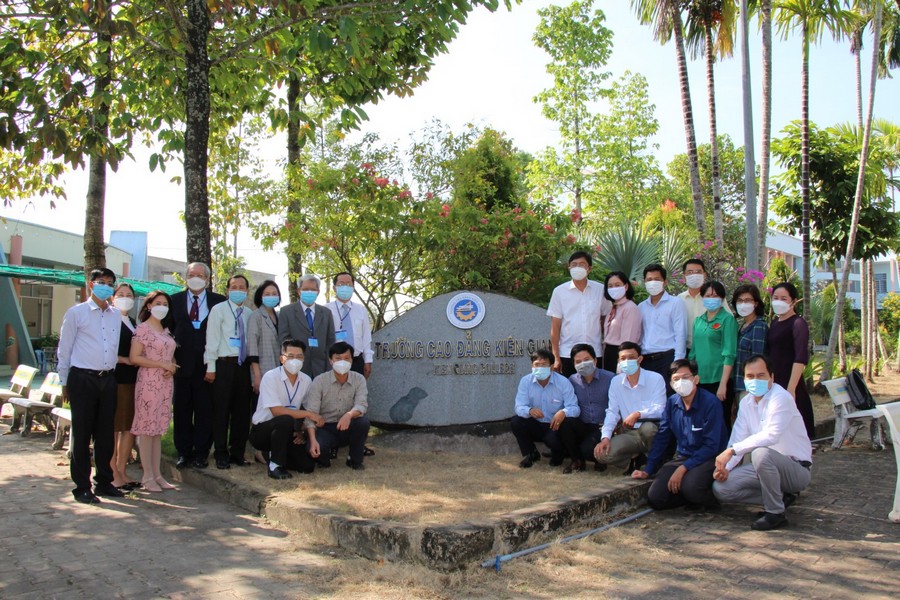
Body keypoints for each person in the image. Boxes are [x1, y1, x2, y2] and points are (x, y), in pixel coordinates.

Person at [713, 354, 813, 531]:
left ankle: (775, 513)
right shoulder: (746, 403)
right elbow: (737, 438)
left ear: (771, 377)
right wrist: (725, 468)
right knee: (722, 488)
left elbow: (771, 435)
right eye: (750, 376)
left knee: (760, 453)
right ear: (744, 379)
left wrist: (732, 451)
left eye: (760, 376)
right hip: (764, 468)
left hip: (796, 469)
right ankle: (781, 498)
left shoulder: (780, 398)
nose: (755, 381)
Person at [57, 268, 124, 504]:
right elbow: (64, 349)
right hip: (82, 378)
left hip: (108, 379)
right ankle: (82, 487)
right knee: (82, 434)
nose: (106, 286)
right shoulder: (77, 313)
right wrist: (64, 381)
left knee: (105, 435)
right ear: (91, 284)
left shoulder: (115, 315)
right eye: (101, 282)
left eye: (110, 283)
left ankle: (104, 482)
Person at [632, 359, 728, 511]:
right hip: (684, 456)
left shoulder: (711, 403)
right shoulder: (672, 403)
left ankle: (710, 501)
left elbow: (712, 446)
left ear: (696, 379)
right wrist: (648, 469)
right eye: (676, 379)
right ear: (671, 384)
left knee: (692, 487)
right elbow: (663, 436)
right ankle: (689, 498)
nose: (681, 382)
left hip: (710, 457)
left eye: (686, 377)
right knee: (656, 498)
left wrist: (683, 468)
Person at [170, 262, 226, 469]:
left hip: (207, 367)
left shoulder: (219, 301)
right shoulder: (173, 300)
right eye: (191, 274)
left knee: (205, 411)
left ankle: (201, 452)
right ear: (186, 277)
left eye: (200, 275)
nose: (195, 278)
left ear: (207, 279)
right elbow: (168, 330)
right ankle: (183, 452)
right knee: (182, 411)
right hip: (181, 366)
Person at [249, 340, 321, 479]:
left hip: (287, 432)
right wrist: (308, 414)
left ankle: (268, 454)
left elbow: (307, 407)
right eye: (290, 356)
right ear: (282, 359)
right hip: (263, 431)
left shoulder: (306, 380)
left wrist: (300, 431)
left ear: (304, 359)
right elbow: (277, 411)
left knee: (307, 466)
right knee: (285, 419)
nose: (295, 360)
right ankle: (275, 466)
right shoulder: (270, 377)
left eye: (299, 356)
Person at [129, 291, 179, 493]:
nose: (162, 307)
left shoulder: (166, 330)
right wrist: (160, 364)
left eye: (165, 304)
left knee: (157, 430)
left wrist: (171, 366)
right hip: (149, 382)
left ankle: (157, 474)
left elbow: (170, 355)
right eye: (158, 303)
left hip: (165, 383)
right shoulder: (143, 329)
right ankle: (147, 476)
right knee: (147, 429)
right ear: (149, 305)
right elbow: (134, 357)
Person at [204, 274, 254, 470]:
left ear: (247, 291)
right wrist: (211, 367)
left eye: (242, 287)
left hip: (243, 366)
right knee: (221, 411)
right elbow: (212, 340)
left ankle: (237, 453)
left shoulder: (249, 313)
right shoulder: (219, 310)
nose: (238, 290)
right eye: (234, 287)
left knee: (241, 412)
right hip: (223, 365)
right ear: (227, 290)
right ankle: (221, 453)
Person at [594, 342, 666, 474]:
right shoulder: (616, 382)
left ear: (640, 359)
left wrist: (638, 414)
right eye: (623, 358)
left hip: (651, 429)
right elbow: (612, 412)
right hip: (630, 433)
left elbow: (660, 409)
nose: (627, 361)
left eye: (631, 357)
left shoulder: (655, 378)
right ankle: (635, 458)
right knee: (602, 454)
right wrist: (605, 437)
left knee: (648, 429)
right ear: (618, 361)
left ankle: (656, 463)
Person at [304, 341, 370, 470]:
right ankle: (326, 456)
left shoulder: (359, 379)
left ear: (352, 360)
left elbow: (362, 405)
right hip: (324, 427)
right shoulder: (319, 381)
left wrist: (349, 415)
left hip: (346, 425)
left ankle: (354, 459)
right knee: (317, 453)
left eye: (346, 358)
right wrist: (312, 440)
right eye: (338, 358)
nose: (342, 362)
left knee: (363, 423)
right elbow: (311, 413)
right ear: (331, 360)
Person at [510, 348, 579, 468]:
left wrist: (563, 412)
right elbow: (519, 406)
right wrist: (529, 410)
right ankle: (531, 453)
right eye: (537, 364)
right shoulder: (525, 381)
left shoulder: (563, 382)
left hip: (555, 426)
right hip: (536, 424)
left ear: (551, 367)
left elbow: (574, 408)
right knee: (516, 422)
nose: (540, 368)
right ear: (532, 366)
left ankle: (559, 453)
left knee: (553, 442)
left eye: (544, 365)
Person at [547, 251, 611, 377]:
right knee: (569, 387)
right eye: (574, 264)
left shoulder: (600, 290)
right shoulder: (559, 292)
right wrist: (556, 356)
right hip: (567, 353)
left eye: (582, 264)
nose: (577, 267)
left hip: (594, 353)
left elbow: (606, 319)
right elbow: (555, 327)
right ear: (569, 267)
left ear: (589, 268)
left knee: (595, 386)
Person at [766, 282, 815, 439]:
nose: (778, 301)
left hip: (791, 382)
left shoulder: (798, 323)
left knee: (796, 428)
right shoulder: (775, 322)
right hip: (775, 381)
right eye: (775, 298)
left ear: (793, 301)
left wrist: (791, 389)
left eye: (784, 298)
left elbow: (800, 357)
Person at [559, 344, 614, 473]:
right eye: (578, 361)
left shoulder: (611, 378)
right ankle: (577, 461)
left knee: (587, 450)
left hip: (603, 426)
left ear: (595, 360)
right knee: (566, 422)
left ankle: (599, 459)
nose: (583, 364)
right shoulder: (572, 380)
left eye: (586, 360)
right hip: (583, 425)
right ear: (574, 364)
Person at [688, 281, 737, 428]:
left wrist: (723, 384)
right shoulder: (698, 321)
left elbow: (729, 353)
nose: (711, 298)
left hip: (719, 379)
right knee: (701, 420)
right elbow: (693, 352)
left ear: (722, 298)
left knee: (721, 421)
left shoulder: (727, 319)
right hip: (700, 379)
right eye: (708, 295)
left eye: (715, 295)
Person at [637, 264, 687, 392]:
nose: (653, 282)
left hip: (667, 359)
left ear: (665, 282)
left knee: (668, 395)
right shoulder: (641, 307)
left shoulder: (675, 303)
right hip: (646, 361)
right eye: (649, 279)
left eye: (657, 279)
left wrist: (678, 363)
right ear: (644, 282)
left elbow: (680, 334)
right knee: (648, 396)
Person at [278, 274, 336, 379]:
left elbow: (330, 342)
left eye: (313, 289)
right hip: (296, 368)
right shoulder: (286, 312)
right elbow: (284, 340)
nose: (309, 292)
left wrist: (329, 367)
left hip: (321, 368)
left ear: (318, 292)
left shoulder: (326, 313)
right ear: (298, 291)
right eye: (305, 289)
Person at [111, 283, 139, 490]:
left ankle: (122, 469)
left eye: (129, 295)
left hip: (133, 380)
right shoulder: (108, 320)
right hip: (115, 380)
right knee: (113, 427)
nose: (125, 298)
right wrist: (125, 360)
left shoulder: (133, 322)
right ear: (113, 298)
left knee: (128, 427)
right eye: (120, 294)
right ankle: (112, 471)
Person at [678, 258, 732, 352]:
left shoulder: (714, 298)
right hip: (686, 350)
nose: (694, 275)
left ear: (704, 275)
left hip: (712, 350)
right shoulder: (679, 300)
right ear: (684, 277)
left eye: (698, 272)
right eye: (690, 272)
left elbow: (729, 322)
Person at [326, 272, 374, 378]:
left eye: (348, 284)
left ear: (353, 287)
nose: (345, 287)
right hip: (334, 362)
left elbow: (366, 337)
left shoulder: (360, 309)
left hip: (356, 361)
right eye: (341, 284)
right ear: (334, 288)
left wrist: (368, 360)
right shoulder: (326, 310)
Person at [732, 284, 768, 405]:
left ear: (756, 303)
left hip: (750, 388)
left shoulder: (758, 326)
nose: (743, 304)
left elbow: (758, 359)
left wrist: (753, 387)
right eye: (740, 300)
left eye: (747, 300)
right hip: (739, 384)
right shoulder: (742, 326)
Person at [247, 280, 283, 397]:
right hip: (262, 370)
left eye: (274, 294)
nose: (271, 296)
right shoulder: (256, 316)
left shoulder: (280, 316)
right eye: (267, 294)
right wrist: (257, 375)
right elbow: (252, 348)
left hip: (279, 369)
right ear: (260, 296)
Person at [602, 271, 642, 371]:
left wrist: (623, 362)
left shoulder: (630, 308)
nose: (613, 288)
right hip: (609, 353)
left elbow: (629, 339)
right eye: (610, 286)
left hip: (621, 354)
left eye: (617, 285)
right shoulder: (613, 307)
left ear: (626, 286)